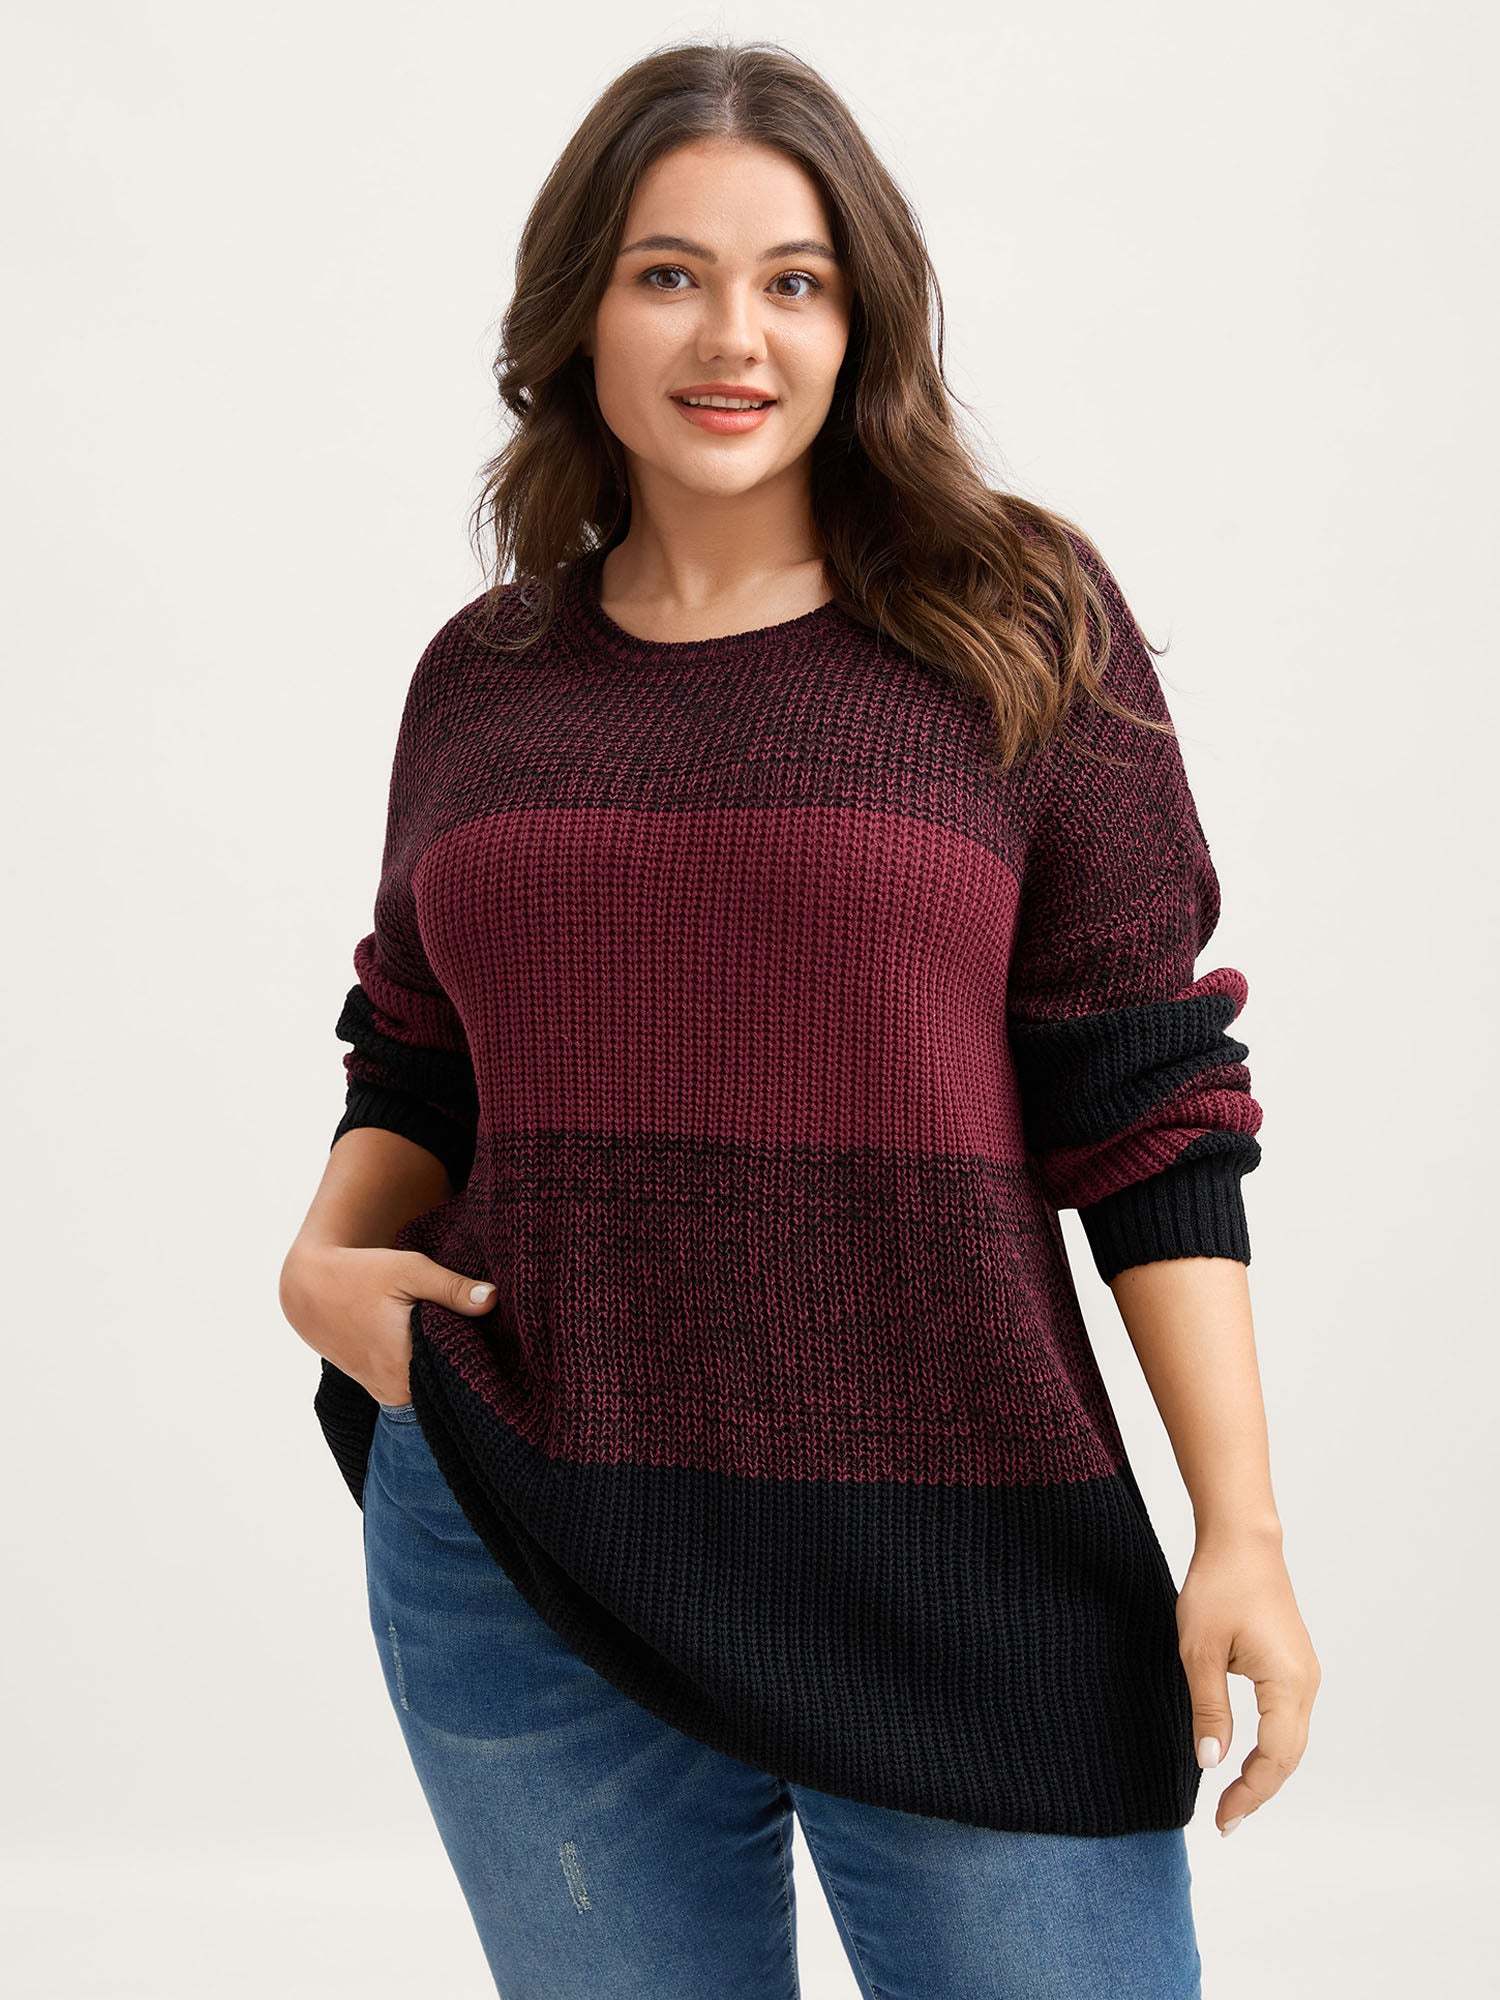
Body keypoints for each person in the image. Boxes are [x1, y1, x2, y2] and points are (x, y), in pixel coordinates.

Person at [279, 38, 1320, 2000]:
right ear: (580, 312)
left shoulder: (1019, 621)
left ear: (864, 324)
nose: (731, 335)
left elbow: (1150, 1097)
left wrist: (1239, 1529)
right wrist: (323, 1260)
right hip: (526, 1539)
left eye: (795, 280)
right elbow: (414, 1044)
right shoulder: (486, 677)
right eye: (669, 274)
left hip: (963, 1562)